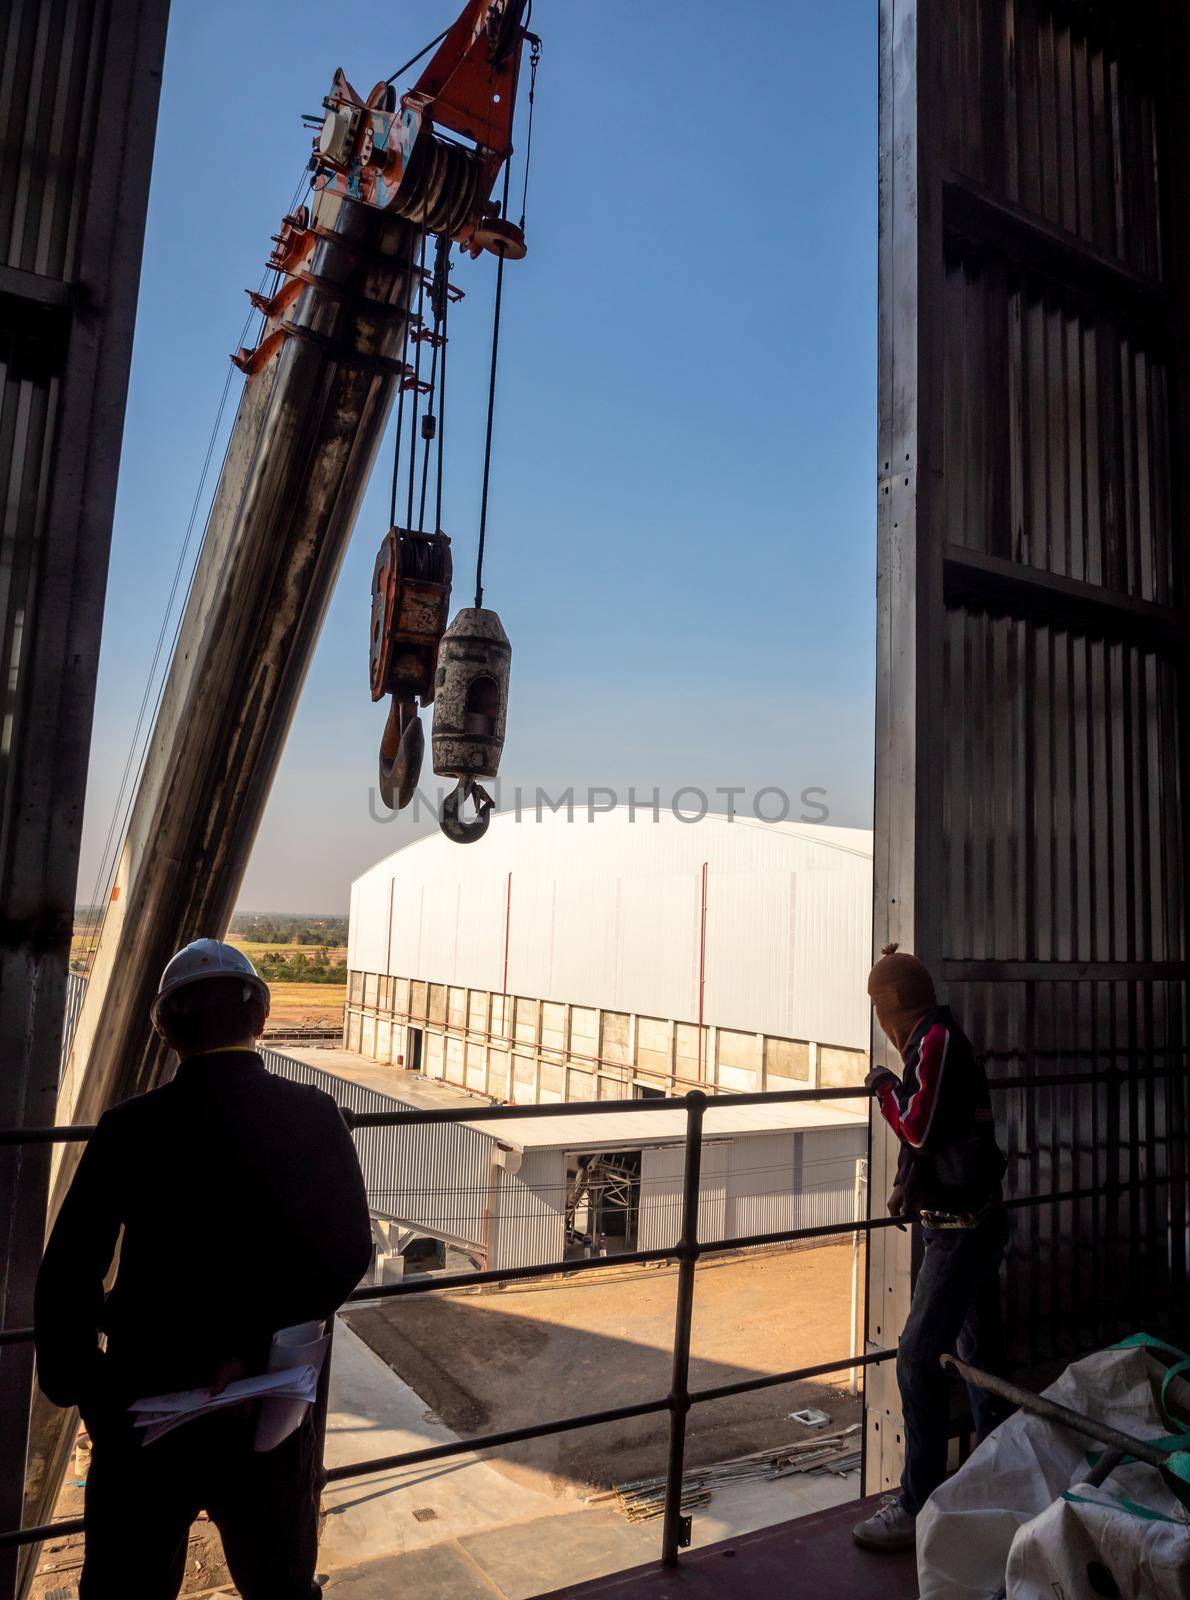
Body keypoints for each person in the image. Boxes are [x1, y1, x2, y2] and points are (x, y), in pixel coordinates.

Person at [35, 939, 374, 1600]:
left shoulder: (129, 1127)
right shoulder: (312, 1114)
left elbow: (70, 1269)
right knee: (279, 1582)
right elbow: (346, 1252)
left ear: (165, 1030)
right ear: (260, 1020)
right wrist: (253, 1353)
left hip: (147, 1399)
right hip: (267, 1401)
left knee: (125, 1587)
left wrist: (92, 1391)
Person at [851, 942, 1009, 1554]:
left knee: (919, 1358)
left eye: (877, 1006)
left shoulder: (935, 1042)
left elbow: (916, 1124)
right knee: (980, 1358)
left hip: (960, 1229)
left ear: (891, 1005)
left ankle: (918, 1502)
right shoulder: (936, 1040)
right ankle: (995, 1477)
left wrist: (883, 1084)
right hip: (962, 1221)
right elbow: (932, 1134)